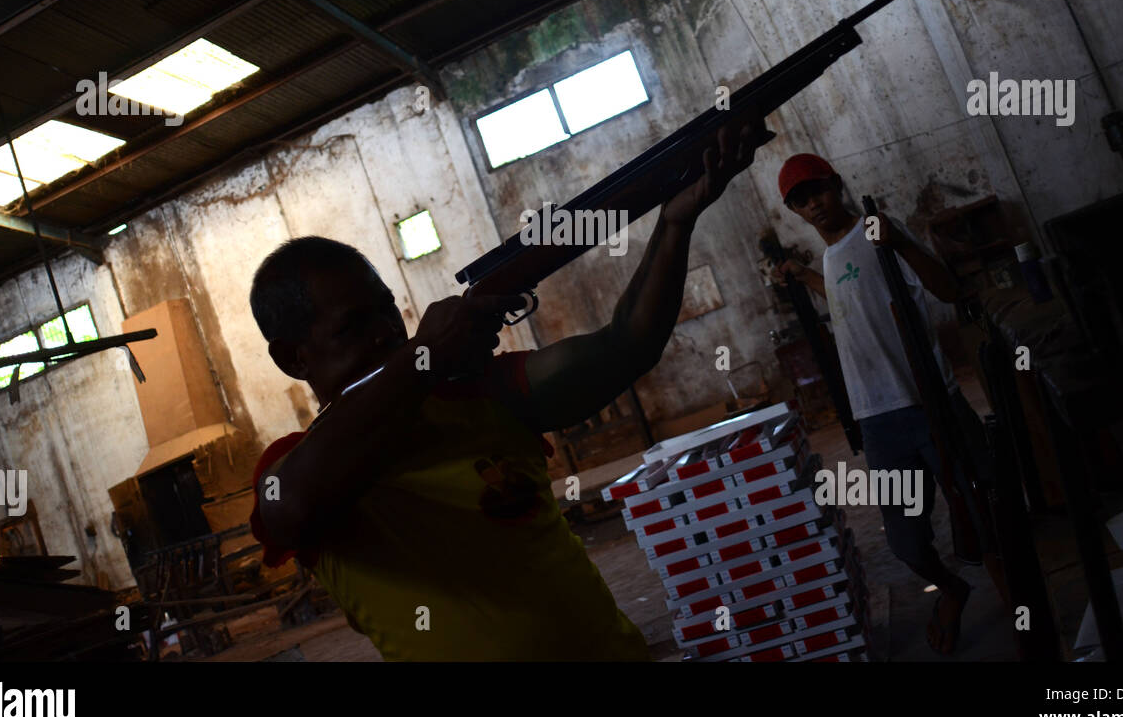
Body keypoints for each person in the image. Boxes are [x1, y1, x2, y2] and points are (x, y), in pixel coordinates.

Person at [248, 119, 769, 661]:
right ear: (293, 358)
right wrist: (424, 360)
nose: (386, 330)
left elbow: (625, 348)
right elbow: (295, 506)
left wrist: (675, 224)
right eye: (353, 326)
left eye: (386, 308)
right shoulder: (291, 467)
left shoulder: (477, 393)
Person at [773, 152, 987, 654]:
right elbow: (849, 299)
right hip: (879, 421)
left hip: (929, 401)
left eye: (819, 190)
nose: (815, 205)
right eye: (801, 201)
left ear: (838, 184)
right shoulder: (829, 258)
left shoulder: (877, 234)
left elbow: (949, 290)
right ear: (795, 211)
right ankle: (955, 589)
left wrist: (901, 244)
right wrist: (805, 279)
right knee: (906, 544)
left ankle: (1029, 618)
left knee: (984, 512)